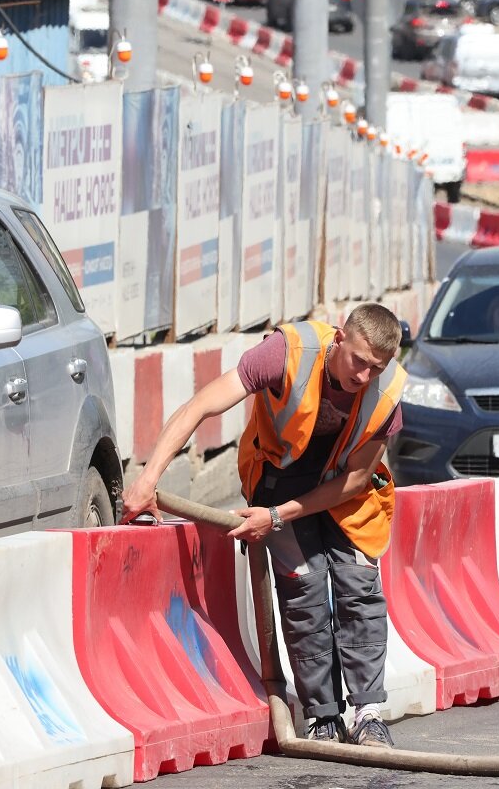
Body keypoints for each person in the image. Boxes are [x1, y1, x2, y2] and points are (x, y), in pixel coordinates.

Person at [121, 303, 408, 749]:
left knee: (359, 584)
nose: (365, 377)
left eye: (377, 367)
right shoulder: (286, 353)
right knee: (305, 587)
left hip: (343, 489)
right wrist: (147, 479)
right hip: (278, 478)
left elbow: (354, 480)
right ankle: (324, 717)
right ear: (339, 339)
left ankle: (369, 715)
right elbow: (200, 406)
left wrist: (276, 518)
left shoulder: (387, 394)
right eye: (358, 362)